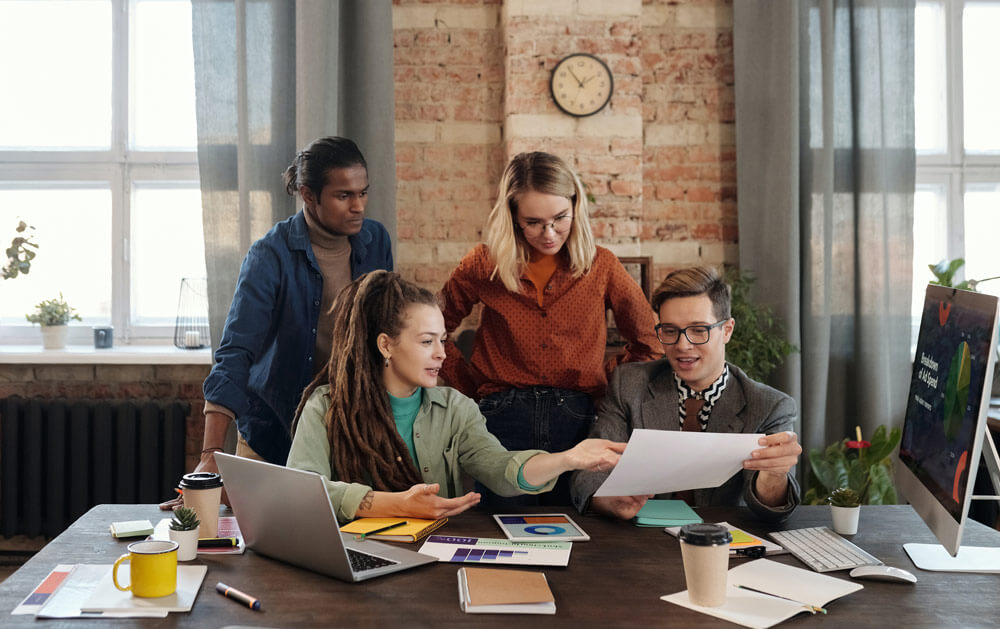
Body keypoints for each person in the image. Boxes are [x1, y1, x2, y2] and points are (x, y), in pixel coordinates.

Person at [160, 136, 392, 510]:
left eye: (363, 193)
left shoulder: (375, 240)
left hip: (350, 435)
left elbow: (385, 334)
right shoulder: (270, 254)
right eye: (344, 195)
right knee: (260, 557)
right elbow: (236, 351)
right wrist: (210, 453)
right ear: (307, 194)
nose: (359, 206)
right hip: (274, 434)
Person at [286, 270, 625, 522]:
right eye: (426, 341)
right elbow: (302, 492)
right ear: (386, 344)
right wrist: (395, 504)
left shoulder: (456, 409)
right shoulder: (327, 407)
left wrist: (568, 458)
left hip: (435, 561)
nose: (442, 354)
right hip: (355, 559)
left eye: (443, 339)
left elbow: (501, 469)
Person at [438, 152, 662, 507]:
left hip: (576, 419)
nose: (549, 233)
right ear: (512, 216)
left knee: (577, 530)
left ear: (576, 205)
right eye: (534, 222)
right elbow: (434, 330)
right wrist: (471, 386)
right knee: (500, 529)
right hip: (500, 420)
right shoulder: (483, 265)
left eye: (560, 218)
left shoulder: (602, 266)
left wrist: (604, 379)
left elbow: (650, 342)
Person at [570, 266, 802, 523]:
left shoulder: (770, 405)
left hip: (723, 544)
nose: (682, 345)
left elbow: (770, 510)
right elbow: (587, 474)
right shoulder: (629, 384)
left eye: (698, 330)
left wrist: (775, 474)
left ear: (727, 330)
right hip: (641, 542)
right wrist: (607, 500)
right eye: (670, 331)